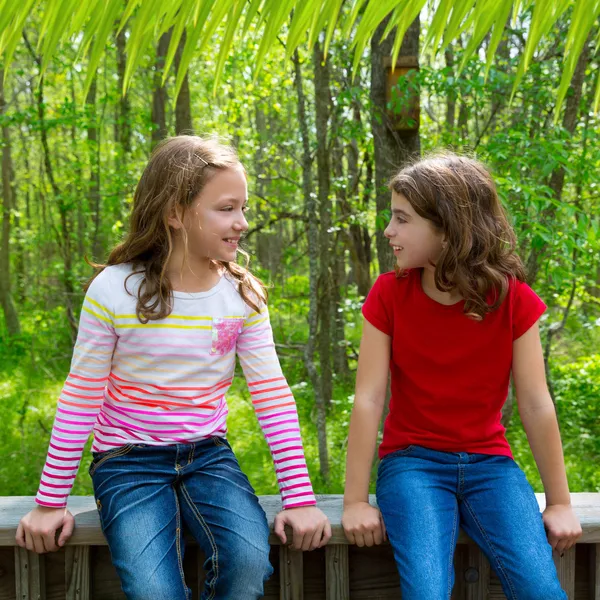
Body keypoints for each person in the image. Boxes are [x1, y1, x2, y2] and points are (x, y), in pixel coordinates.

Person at [16, 135, 331, 600]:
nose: (242, 222)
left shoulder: (242, 296)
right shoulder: (114, 290)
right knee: (153, 587)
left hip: (208, 455)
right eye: (226, 208)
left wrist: (300, 500)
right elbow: (81, 397)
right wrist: (49, 503)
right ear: (175, 213)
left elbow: (272, 395)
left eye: (242, 208)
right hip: (128, 461)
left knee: (246, 561)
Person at [341, 153, 581, 600]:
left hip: (491, 465)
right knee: (428, 590)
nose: (388, 231)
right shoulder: (389, 294)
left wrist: (561, 502)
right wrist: (354, 500)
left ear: (448, 228)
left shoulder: (513, 300)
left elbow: (534, 403)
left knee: (539, 587)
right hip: (412, 464)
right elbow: (369, 399)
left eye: (401, 219)